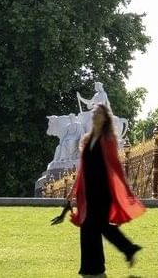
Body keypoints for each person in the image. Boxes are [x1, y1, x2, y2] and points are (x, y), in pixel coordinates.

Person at [58, 104, 143, 276]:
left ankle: (103, 264)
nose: (95, 115)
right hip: (88, 192)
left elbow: (114, 167)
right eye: (94, 112)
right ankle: (92, 267)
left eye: (99, 113)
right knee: (89, 228)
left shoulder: (108, 140)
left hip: (103, 192)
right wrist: (72, 192)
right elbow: (82, 170)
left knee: (98, 227)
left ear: (105, 118)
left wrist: (122, 191)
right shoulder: (87, 140)